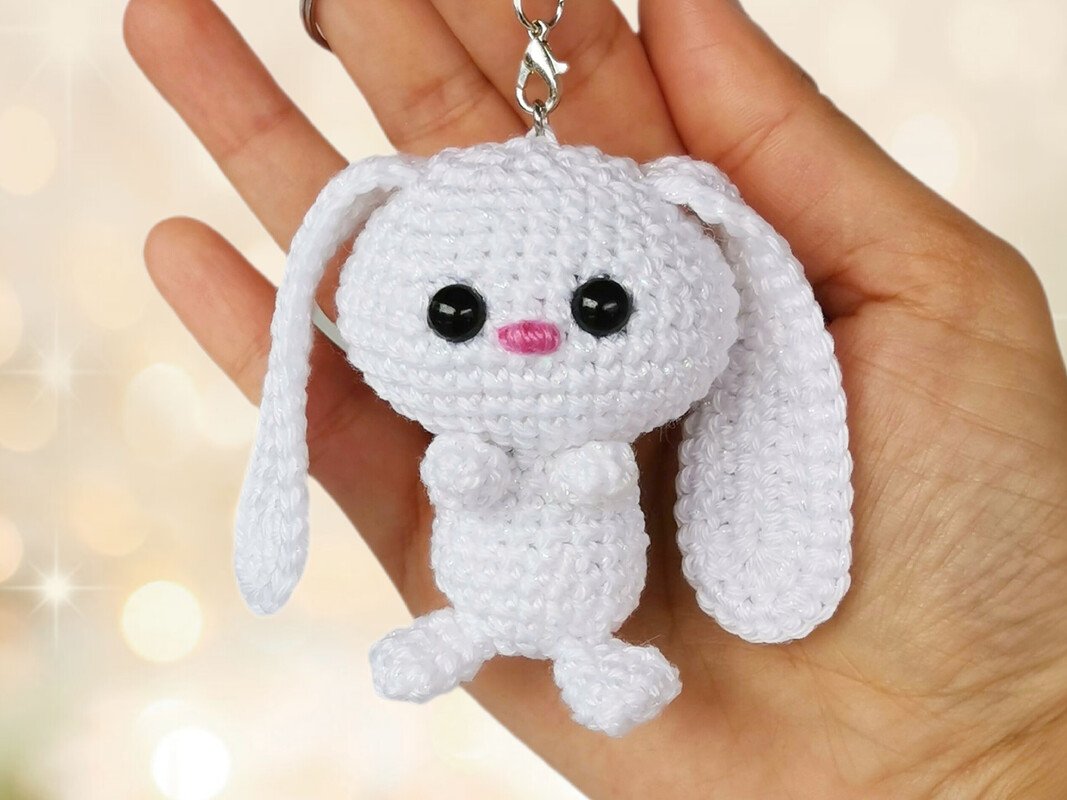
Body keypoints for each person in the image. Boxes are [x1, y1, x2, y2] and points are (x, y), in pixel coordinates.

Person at [122, 0, 1067, 796]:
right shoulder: (463, 361)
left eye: (598, 308)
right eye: (457, 312)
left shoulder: (630, 369)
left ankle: (590, 650)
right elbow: (461, 479)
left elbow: (592, 480)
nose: (528, 336)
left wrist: (1021, 731)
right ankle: (464, 632)